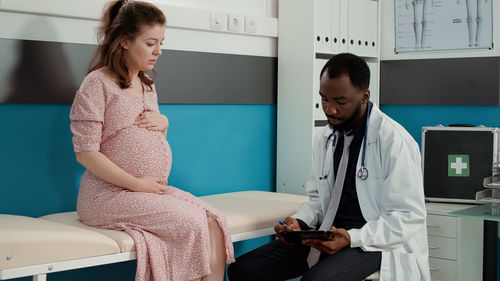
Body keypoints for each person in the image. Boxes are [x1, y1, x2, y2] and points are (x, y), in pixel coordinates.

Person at [227, 53, 430, 281]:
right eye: (324, 99)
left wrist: (352, 238)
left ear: (364, 97)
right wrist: (299, 222)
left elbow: (408, 216)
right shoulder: (326, 137)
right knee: (243, 269)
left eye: (340, 102)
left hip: (373, 242)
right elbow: (317, 200)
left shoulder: (393, 141)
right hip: (327, 233)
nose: (330, 110)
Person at [69, 1, 234, 280]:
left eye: (161, 42)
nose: (159, 51)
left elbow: (151, 138)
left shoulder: (146, 83)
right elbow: (85, 153)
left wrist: (164, 123)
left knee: (215, 223)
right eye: (150, 43)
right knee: (192, 222)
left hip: (147, 190)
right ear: (124, 42)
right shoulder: (97, 84)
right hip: (107, 196)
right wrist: (137, 184)